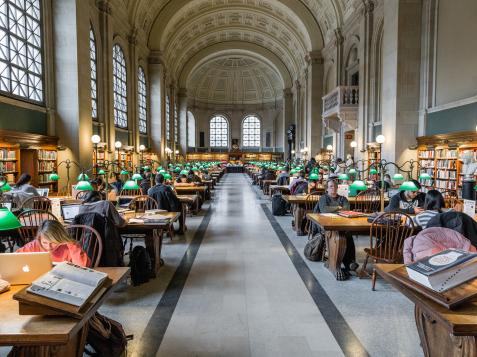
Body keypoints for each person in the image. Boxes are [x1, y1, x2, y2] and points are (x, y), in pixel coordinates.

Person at [318, 179, 358, 273]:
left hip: (341, 223)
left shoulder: (343, 198)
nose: (334, 188)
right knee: (339, 237)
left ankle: (350, 262)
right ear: (327, 189)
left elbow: (346, 209)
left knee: (347, 235)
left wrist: (335, 208)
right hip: (327, 225)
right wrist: (338, 207)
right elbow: (324, 210)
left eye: (335, 186)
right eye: (331, 186)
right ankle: (343, 262)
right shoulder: (324, 198)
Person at [17, 220, 91, 267]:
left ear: (61, 239)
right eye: (44, 242)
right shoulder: (34, 245)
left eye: (53, 243)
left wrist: (71, 245)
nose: (49, 247)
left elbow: (83, 267)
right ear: (39, 239)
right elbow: (13, 259)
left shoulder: (69, 246)